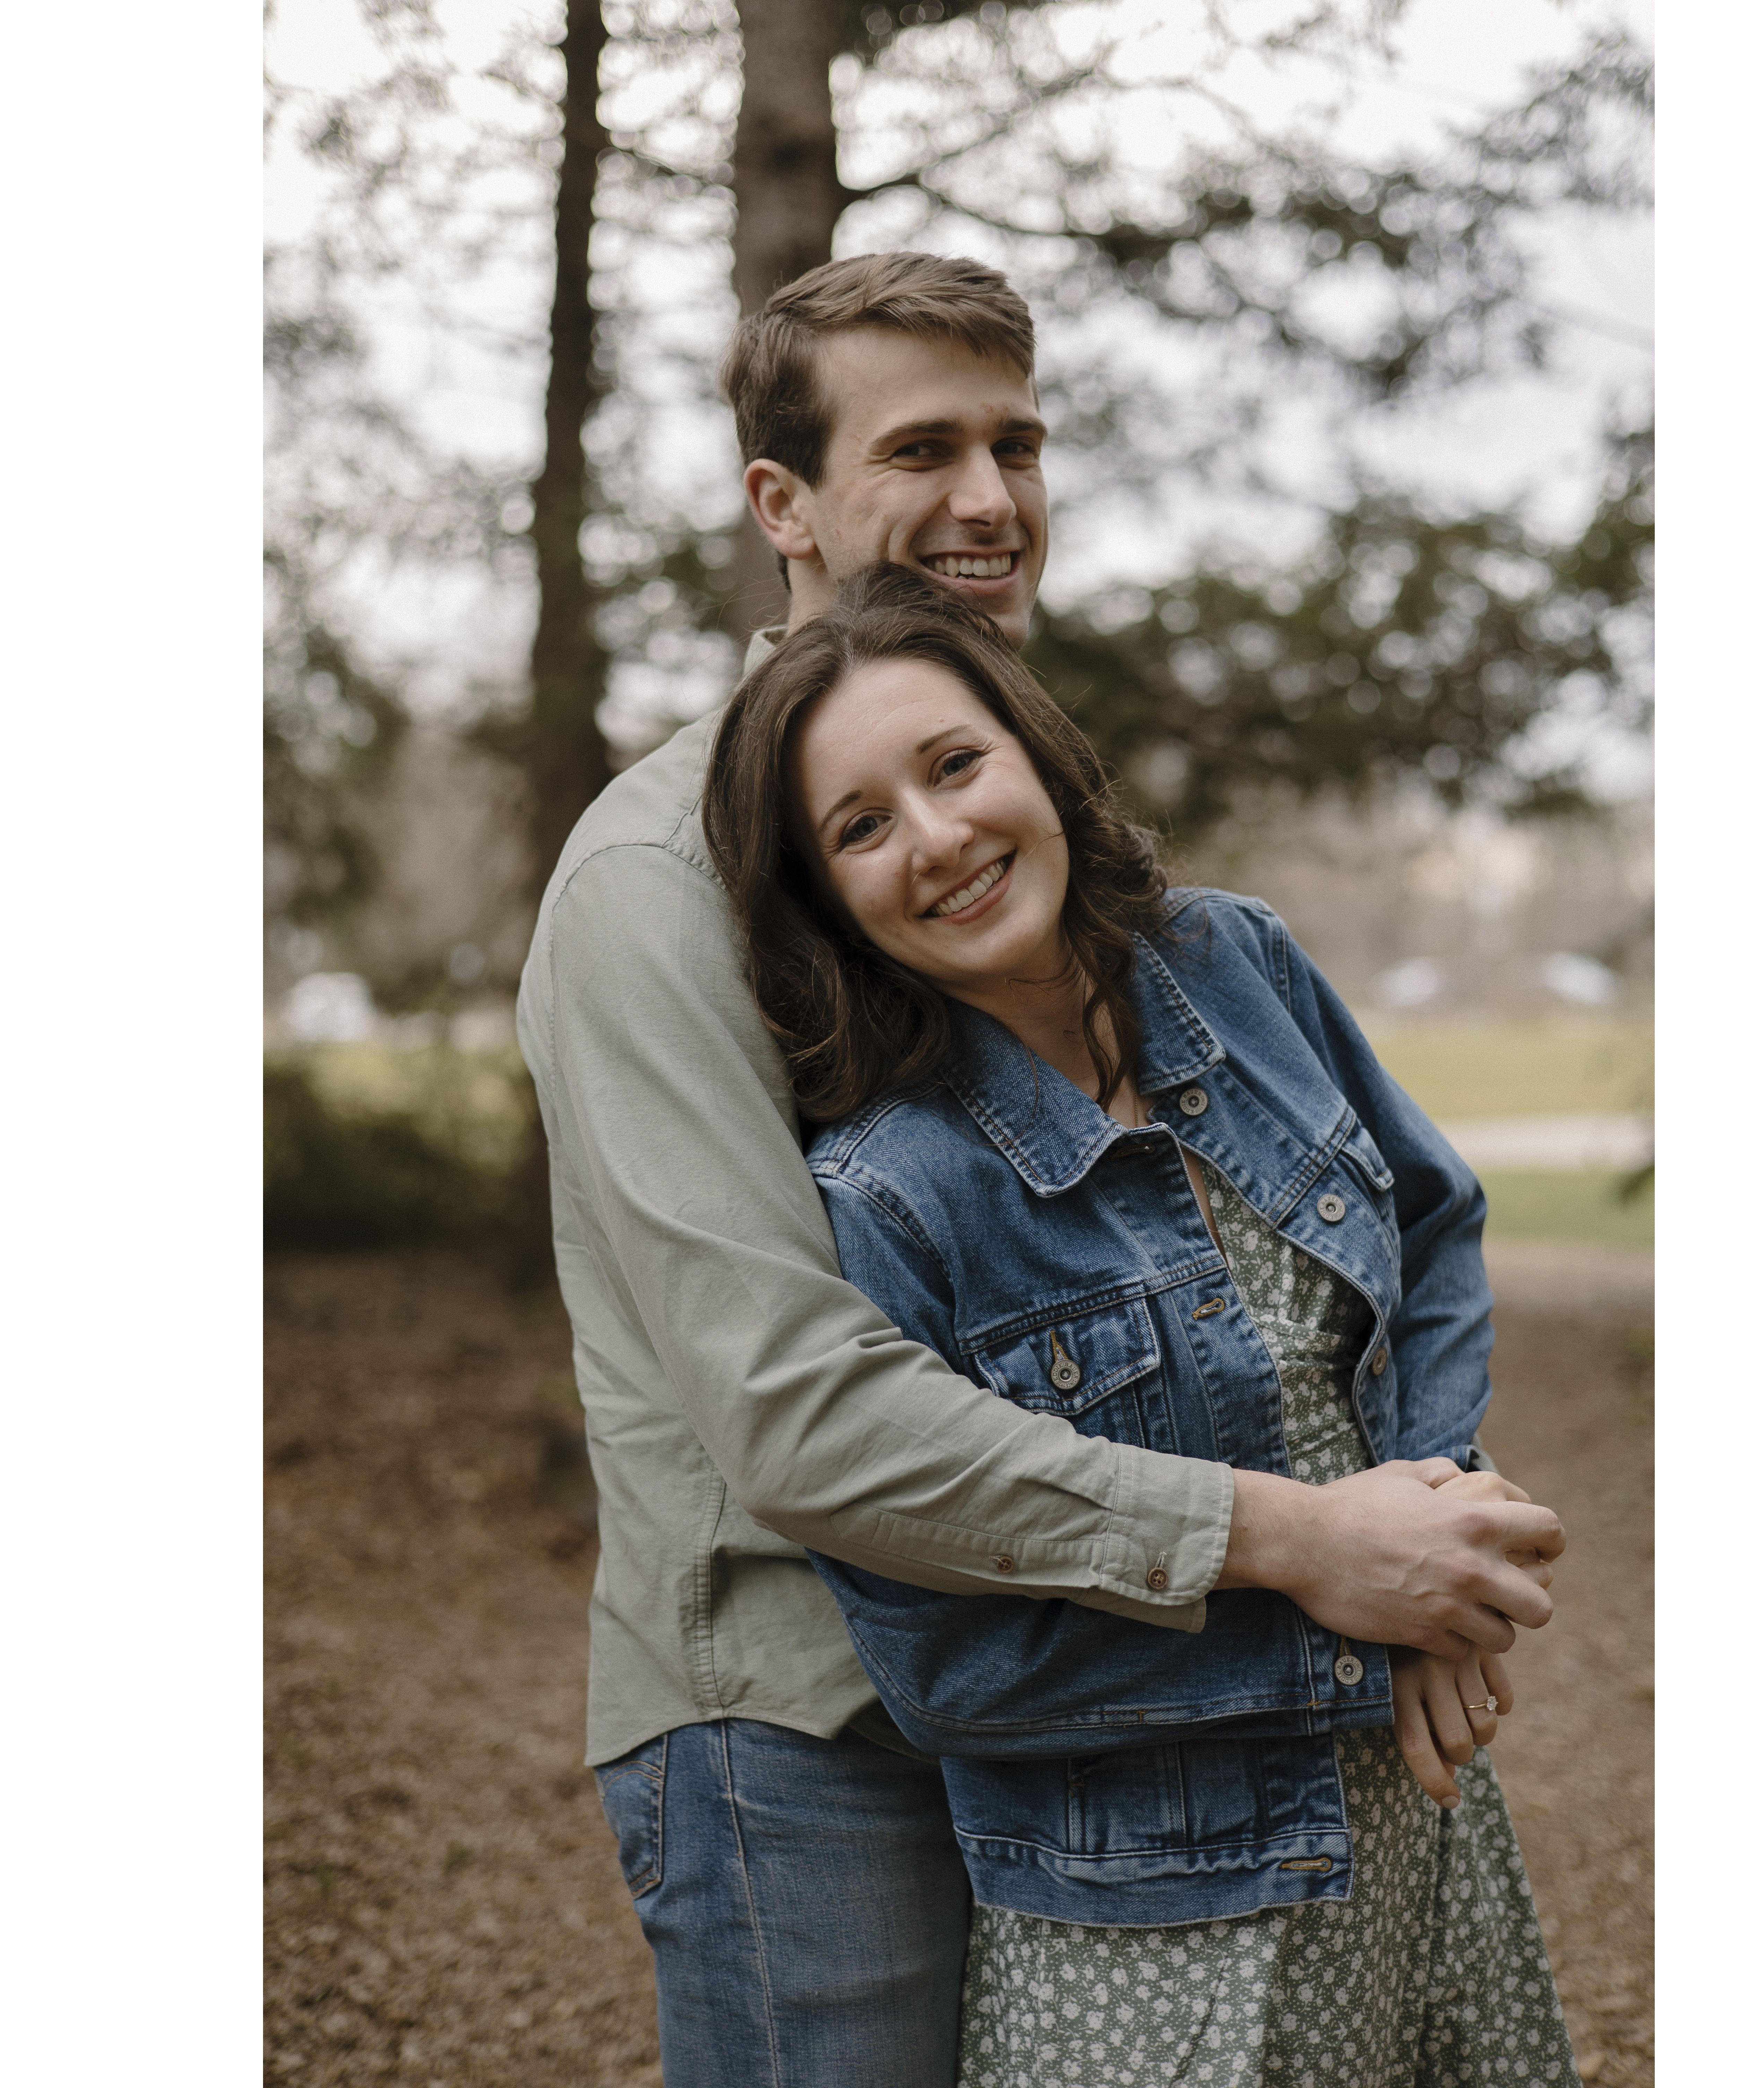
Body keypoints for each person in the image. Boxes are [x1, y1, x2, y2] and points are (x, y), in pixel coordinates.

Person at [516, 250, 1564, 2085]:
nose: (991, 500)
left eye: (1018, 444)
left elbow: (1370, 1225)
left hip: (1120, 1692)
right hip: (811, 1728)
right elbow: (799, 1409)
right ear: (782, 504)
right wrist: (1317, 1549)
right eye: (922, 449)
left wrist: (1424, 1527)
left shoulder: (1067, 862)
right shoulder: (656, 885)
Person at [702, 560, 1580, 2086]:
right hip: (1156, 1937)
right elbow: (948, 1669)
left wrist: (1439, 1540)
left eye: (954, 765)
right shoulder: (891, 1196)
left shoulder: (1236, 962)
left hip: (1426, 1832)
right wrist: (1356, 1620)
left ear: (1037, 754)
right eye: (861, 827)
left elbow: (1432, 1225)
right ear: (825, 902)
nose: (938, 838)